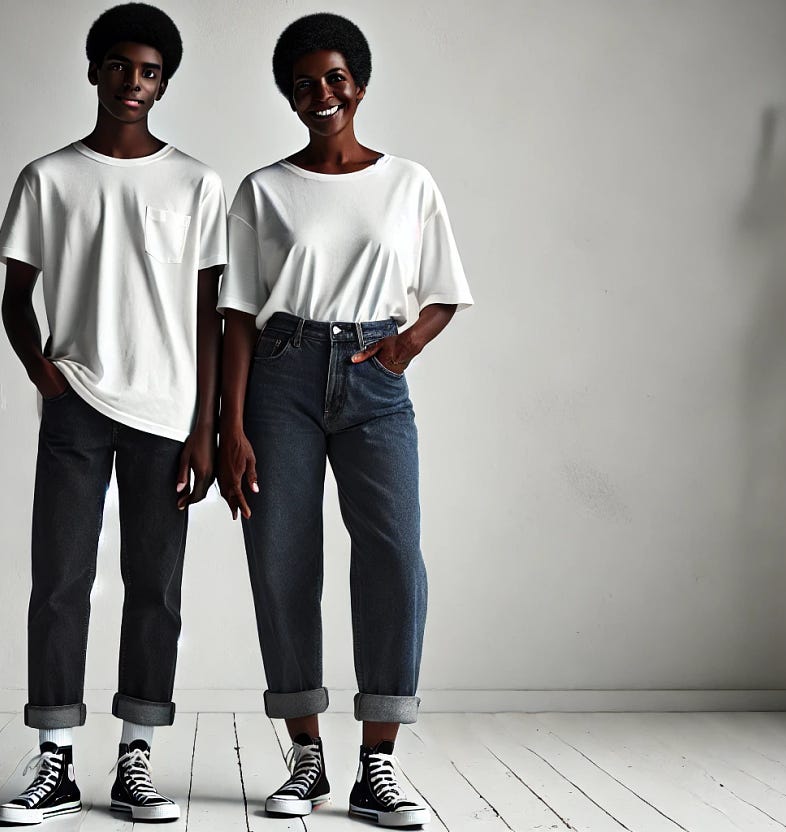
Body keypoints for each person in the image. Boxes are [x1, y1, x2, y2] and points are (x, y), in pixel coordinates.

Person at [216, 12, 473, 828]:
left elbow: (444, 291)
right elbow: (238, 316)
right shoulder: (264, 189)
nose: (320, 93)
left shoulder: (410, 182)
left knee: (394, 555)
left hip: (372, 378)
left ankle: (378, 764)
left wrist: (402, 349)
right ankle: (306, 758)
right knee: (283, 554)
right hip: (280, 375)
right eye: (302, 83)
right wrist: (231, 427)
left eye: (334, 78)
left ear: (359, 83)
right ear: (288, 96)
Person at [0, 3, 225, 824]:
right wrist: (41, 370)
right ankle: (54, 760)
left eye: (150, 71)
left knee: (154, 588)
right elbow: (16, 295)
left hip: (167, 411)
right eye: (120, 65)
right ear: (93, 70)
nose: (133, 82)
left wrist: (207, 426)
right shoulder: (48, 177)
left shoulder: (198, 183)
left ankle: (137, 758)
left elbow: (209, 312)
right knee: (59, 581)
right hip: (77, 405)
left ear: (165, 83)